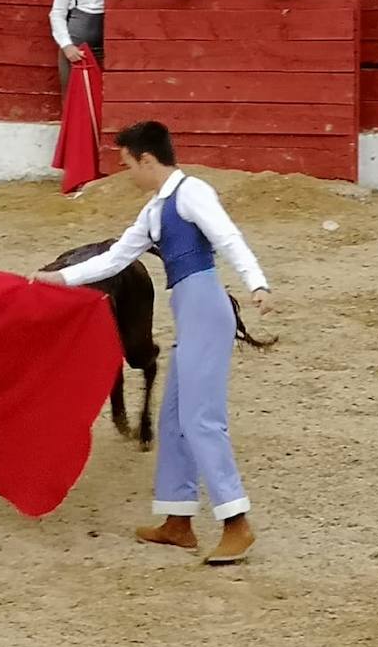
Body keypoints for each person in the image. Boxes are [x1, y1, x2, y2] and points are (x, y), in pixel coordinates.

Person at [31, 120, 271, 565]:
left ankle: (236, 522)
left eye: (129, 165)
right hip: (190, 313)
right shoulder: (155, 211)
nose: (128, 175)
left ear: (147, 159)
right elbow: (113, 258)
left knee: (201, 420)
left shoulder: (193, 192)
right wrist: (58, 278)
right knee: (175, 419)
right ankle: (178, 521)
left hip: (205, 311)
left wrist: (257, 283)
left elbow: (227, 236)